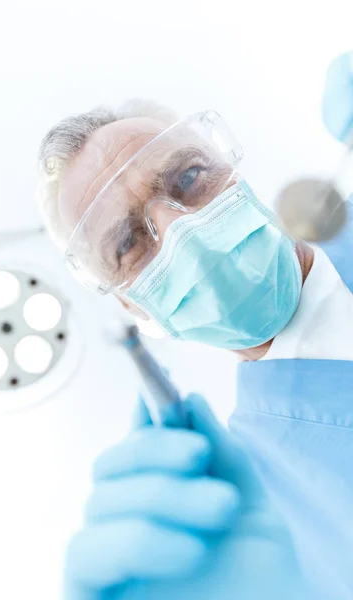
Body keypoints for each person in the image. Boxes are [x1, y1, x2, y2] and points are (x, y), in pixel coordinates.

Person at [37, 52, 353, 599]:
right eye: (129, 243)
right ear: (135, 307)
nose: (179, 229)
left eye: (187, 178)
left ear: (235, 173)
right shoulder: (256, 506)